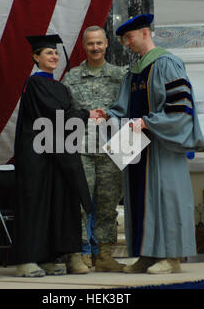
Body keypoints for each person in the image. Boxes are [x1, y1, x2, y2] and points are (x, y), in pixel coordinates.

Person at [106, 14, 204, 274]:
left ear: (144, 33)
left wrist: (150, 123)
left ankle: (171, 257)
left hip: (162, 145)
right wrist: (107, 115)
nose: (126, 43)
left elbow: (180, 106)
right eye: (124, 39)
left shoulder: (167, 64)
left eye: (129, 38)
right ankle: (147, 255)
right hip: (136, 145)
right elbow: (123, 107)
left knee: (166, 200)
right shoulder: (135, 72)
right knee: (139, 201)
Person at [13, 34, 102, 277]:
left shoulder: (60, 86)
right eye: (48, 53)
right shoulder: (35, 84)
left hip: (57, 151)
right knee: (36, 206)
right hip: (36, 155)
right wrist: (85, 114)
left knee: (60, 203)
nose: (54, 56)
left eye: (55, 53)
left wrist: (82, 115)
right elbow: (54, 115)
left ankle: (51, 257)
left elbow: (65, 117)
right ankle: (27, 260)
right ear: (35, 57)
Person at [62, 26, 127, 272]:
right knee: (80, 204)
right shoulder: (72, 78)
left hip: (113, 148)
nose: (96, 48)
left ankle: (105, 255)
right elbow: (66, 113)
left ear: (107, 44)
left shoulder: (121, 75)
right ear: (84, 46)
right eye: (91, 44)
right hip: (81, 148)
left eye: (99, 43)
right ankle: (79, 254)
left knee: (108, 204)